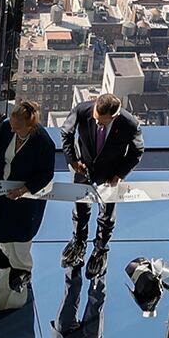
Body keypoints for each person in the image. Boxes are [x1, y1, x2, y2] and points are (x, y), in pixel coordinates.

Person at [59, 93, 144, 278]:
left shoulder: (129, 124)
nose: (97, 123)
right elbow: (66, 132)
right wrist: (73, 161)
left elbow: (137, 151)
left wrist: (119, 174)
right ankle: (78, 242)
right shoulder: (83, 110)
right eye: (96, 119)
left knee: (106, 216)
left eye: (101, 122)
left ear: (115, 116)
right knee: (80, 210)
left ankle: (100, 251)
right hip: (83, 169)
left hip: (109, 175)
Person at [0, 101, 58, 288]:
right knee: (2, 225)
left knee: (20, 233)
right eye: (11, 125)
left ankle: (22, 268)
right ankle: (5, 257)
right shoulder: (6, 128)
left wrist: (24, 190)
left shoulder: (43, 142)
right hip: (4, 188)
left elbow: (46, 174)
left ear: (30, 126)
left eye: (17, 127)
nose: (12, 130)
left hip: (26, 196)